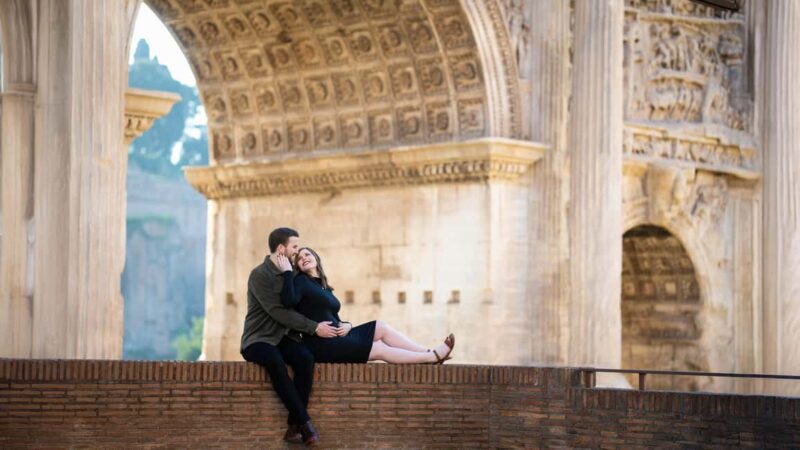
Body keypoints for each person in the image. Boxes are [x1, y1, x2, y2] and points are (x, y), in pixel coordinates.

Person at [240, 228, 338, 446]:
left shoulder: (293, 273)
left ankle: (293, 427)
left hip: (284, 338)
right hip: (258, 339)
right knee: (275, 362)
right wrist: (314, 328)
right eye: (295, 247)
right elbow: (278, 312)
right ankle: (305, 423)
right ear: (281, 248)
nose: (297, 251)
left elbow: (311, 298)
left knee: (305, 358)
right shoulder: (259, 275)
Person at [281, 247, 455, 364]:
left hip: (339, 336)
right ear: (297, 266)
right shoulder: (300, 281)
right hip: (321, 344)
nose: (303, 258)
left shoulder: (323, 286)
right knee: (379, 348)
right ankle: (431, 358)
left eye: (307, 255)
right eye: (299, 258)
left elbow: (330, 315)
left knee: (380, 326)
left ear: (316, 259)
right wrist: (288, 272)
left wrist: (348, 325)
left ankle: (427, 351)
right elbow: (288, 301)